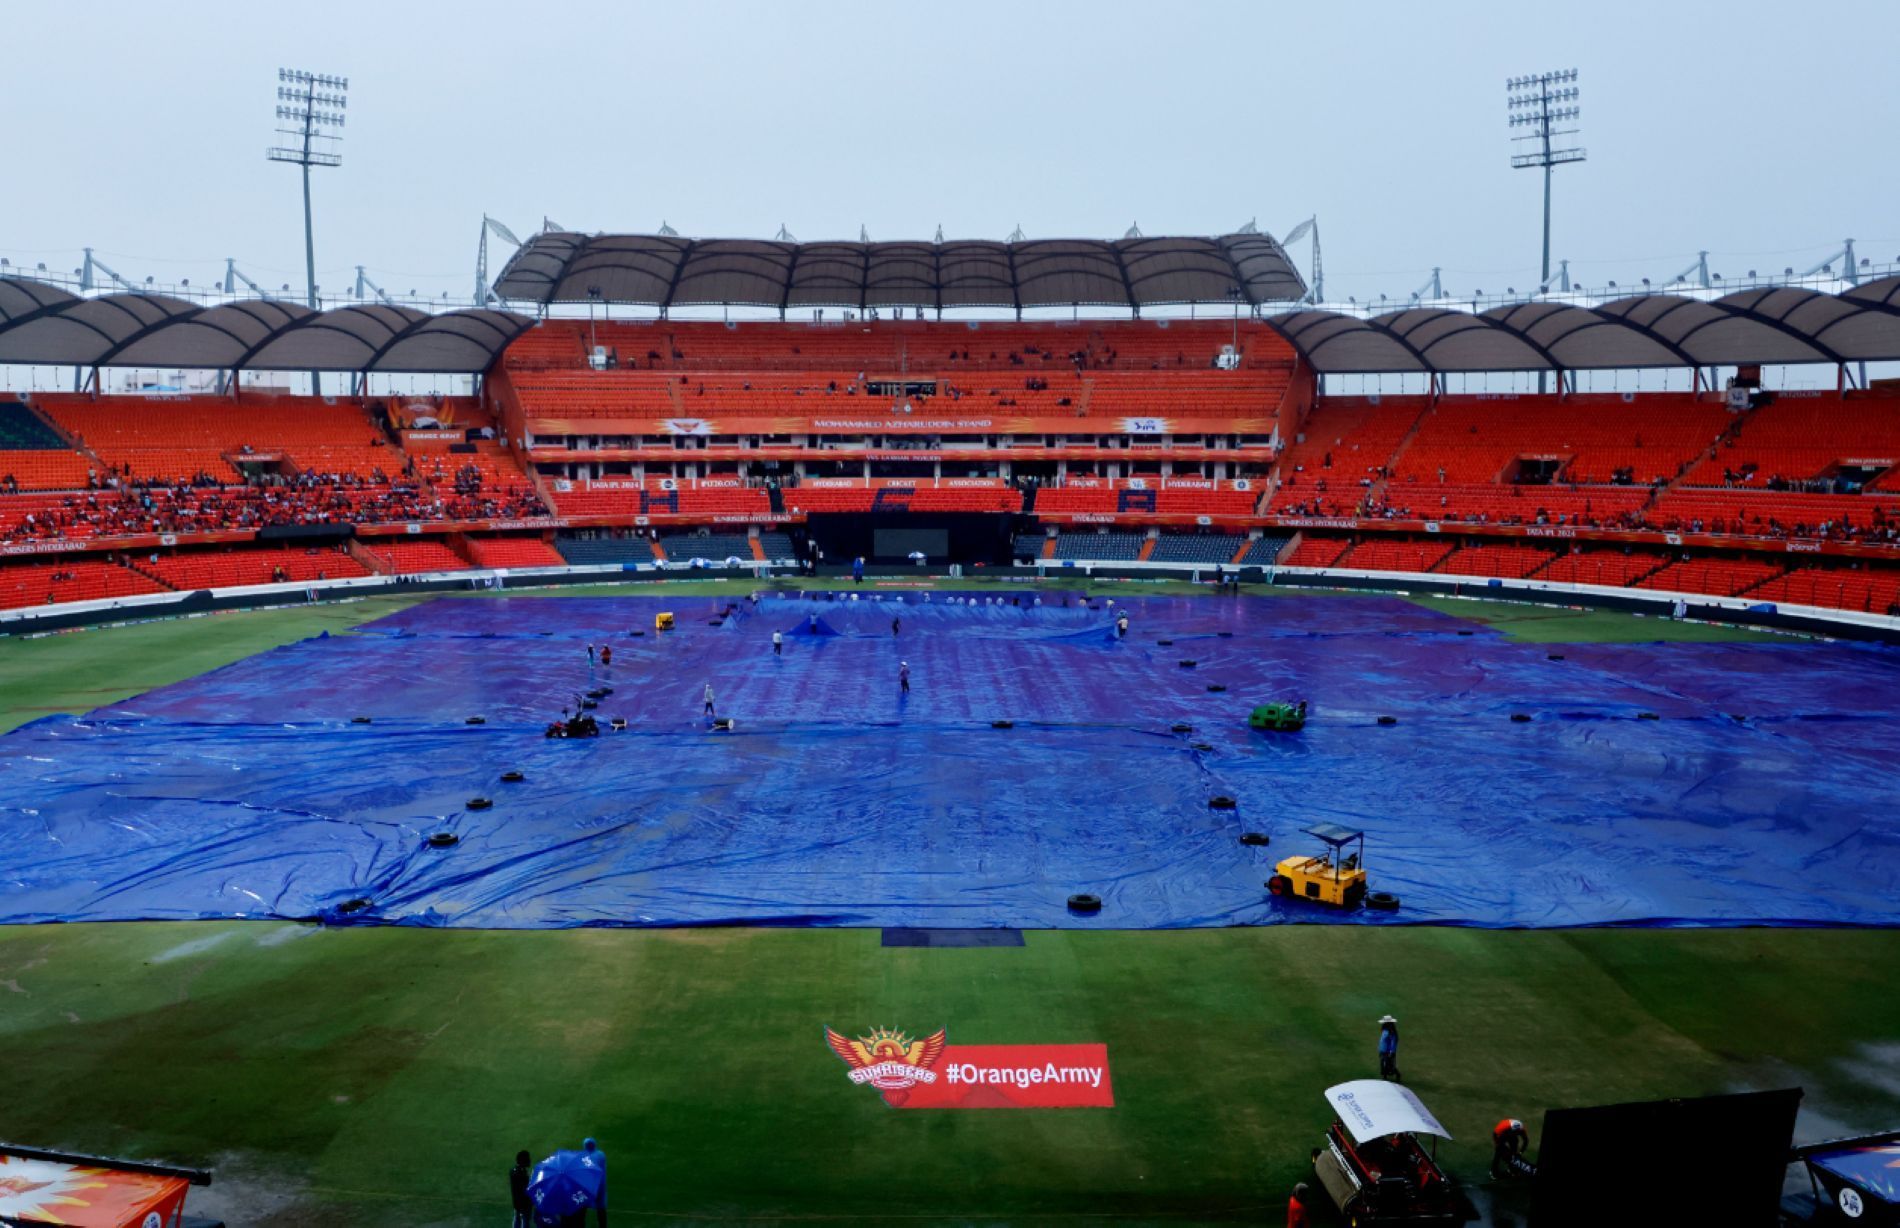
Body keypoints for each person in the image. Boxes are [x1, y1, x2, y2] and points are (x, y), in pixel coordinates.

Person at [510, 1149, 533, 1228]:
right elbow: (525, 1189)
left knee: (517, 1216)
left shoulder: (513, 1171)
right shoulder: (522, 1174)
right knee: (525, 1219)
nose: (530, 1160)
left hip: (516, 1200)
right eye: (528, 1159)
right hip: (524, 1201)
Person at [1378, 1015, 1401, 1082]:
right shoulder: (1385, 1030)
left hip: (1388, 1051)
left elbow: (1393, 1042)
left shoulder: (1391, 1032)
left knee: (1389, 1064)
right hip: (1382, 1050)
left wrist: (1391, 1052)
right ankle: (1384, 1076)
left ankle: (1397, 1074)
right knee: (1382, 1063)